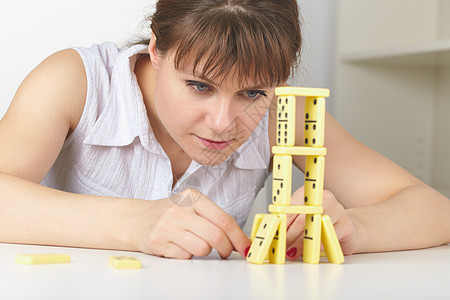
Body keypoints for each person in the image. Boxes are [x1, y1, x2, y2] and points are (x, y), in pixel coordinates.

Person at [0, 0, 448, 261]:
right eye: (199, 86)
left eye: (251, 93)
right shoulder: (77, 81)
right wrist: (133, 222)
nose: (223, 123)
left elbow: (432, 209)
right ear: (155, 48)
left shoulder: (280, 111)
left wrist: (350, 228)